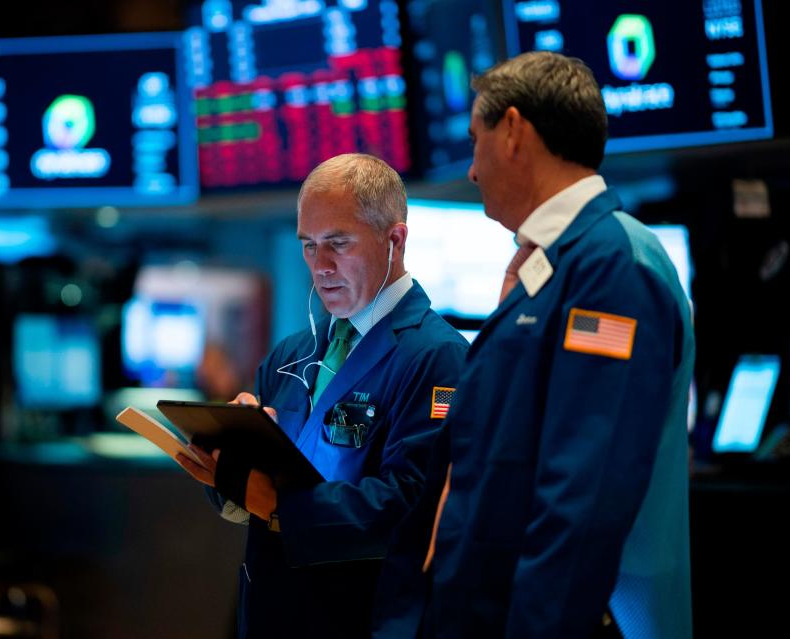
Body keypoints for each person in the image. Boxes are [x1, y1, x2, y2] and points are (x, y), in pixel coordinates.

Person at [372, 51, 695, 639]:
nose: (470, 169)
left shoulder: (613, 267)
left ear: (515, 131)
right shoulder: (550, 266)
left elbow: (584, 493)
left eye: (476, 139)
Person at [177, 153, 468, 638]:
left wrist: (278, 505)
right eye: (309, 246)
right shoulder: (291, 354)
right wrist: (229, 466)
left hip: (361, 616)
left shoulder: (437, 357)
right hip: (273, 611)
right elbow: (252, 497)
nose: (321, 266)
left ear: (394, 240)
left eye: (338, 243)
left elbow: (413, 504)